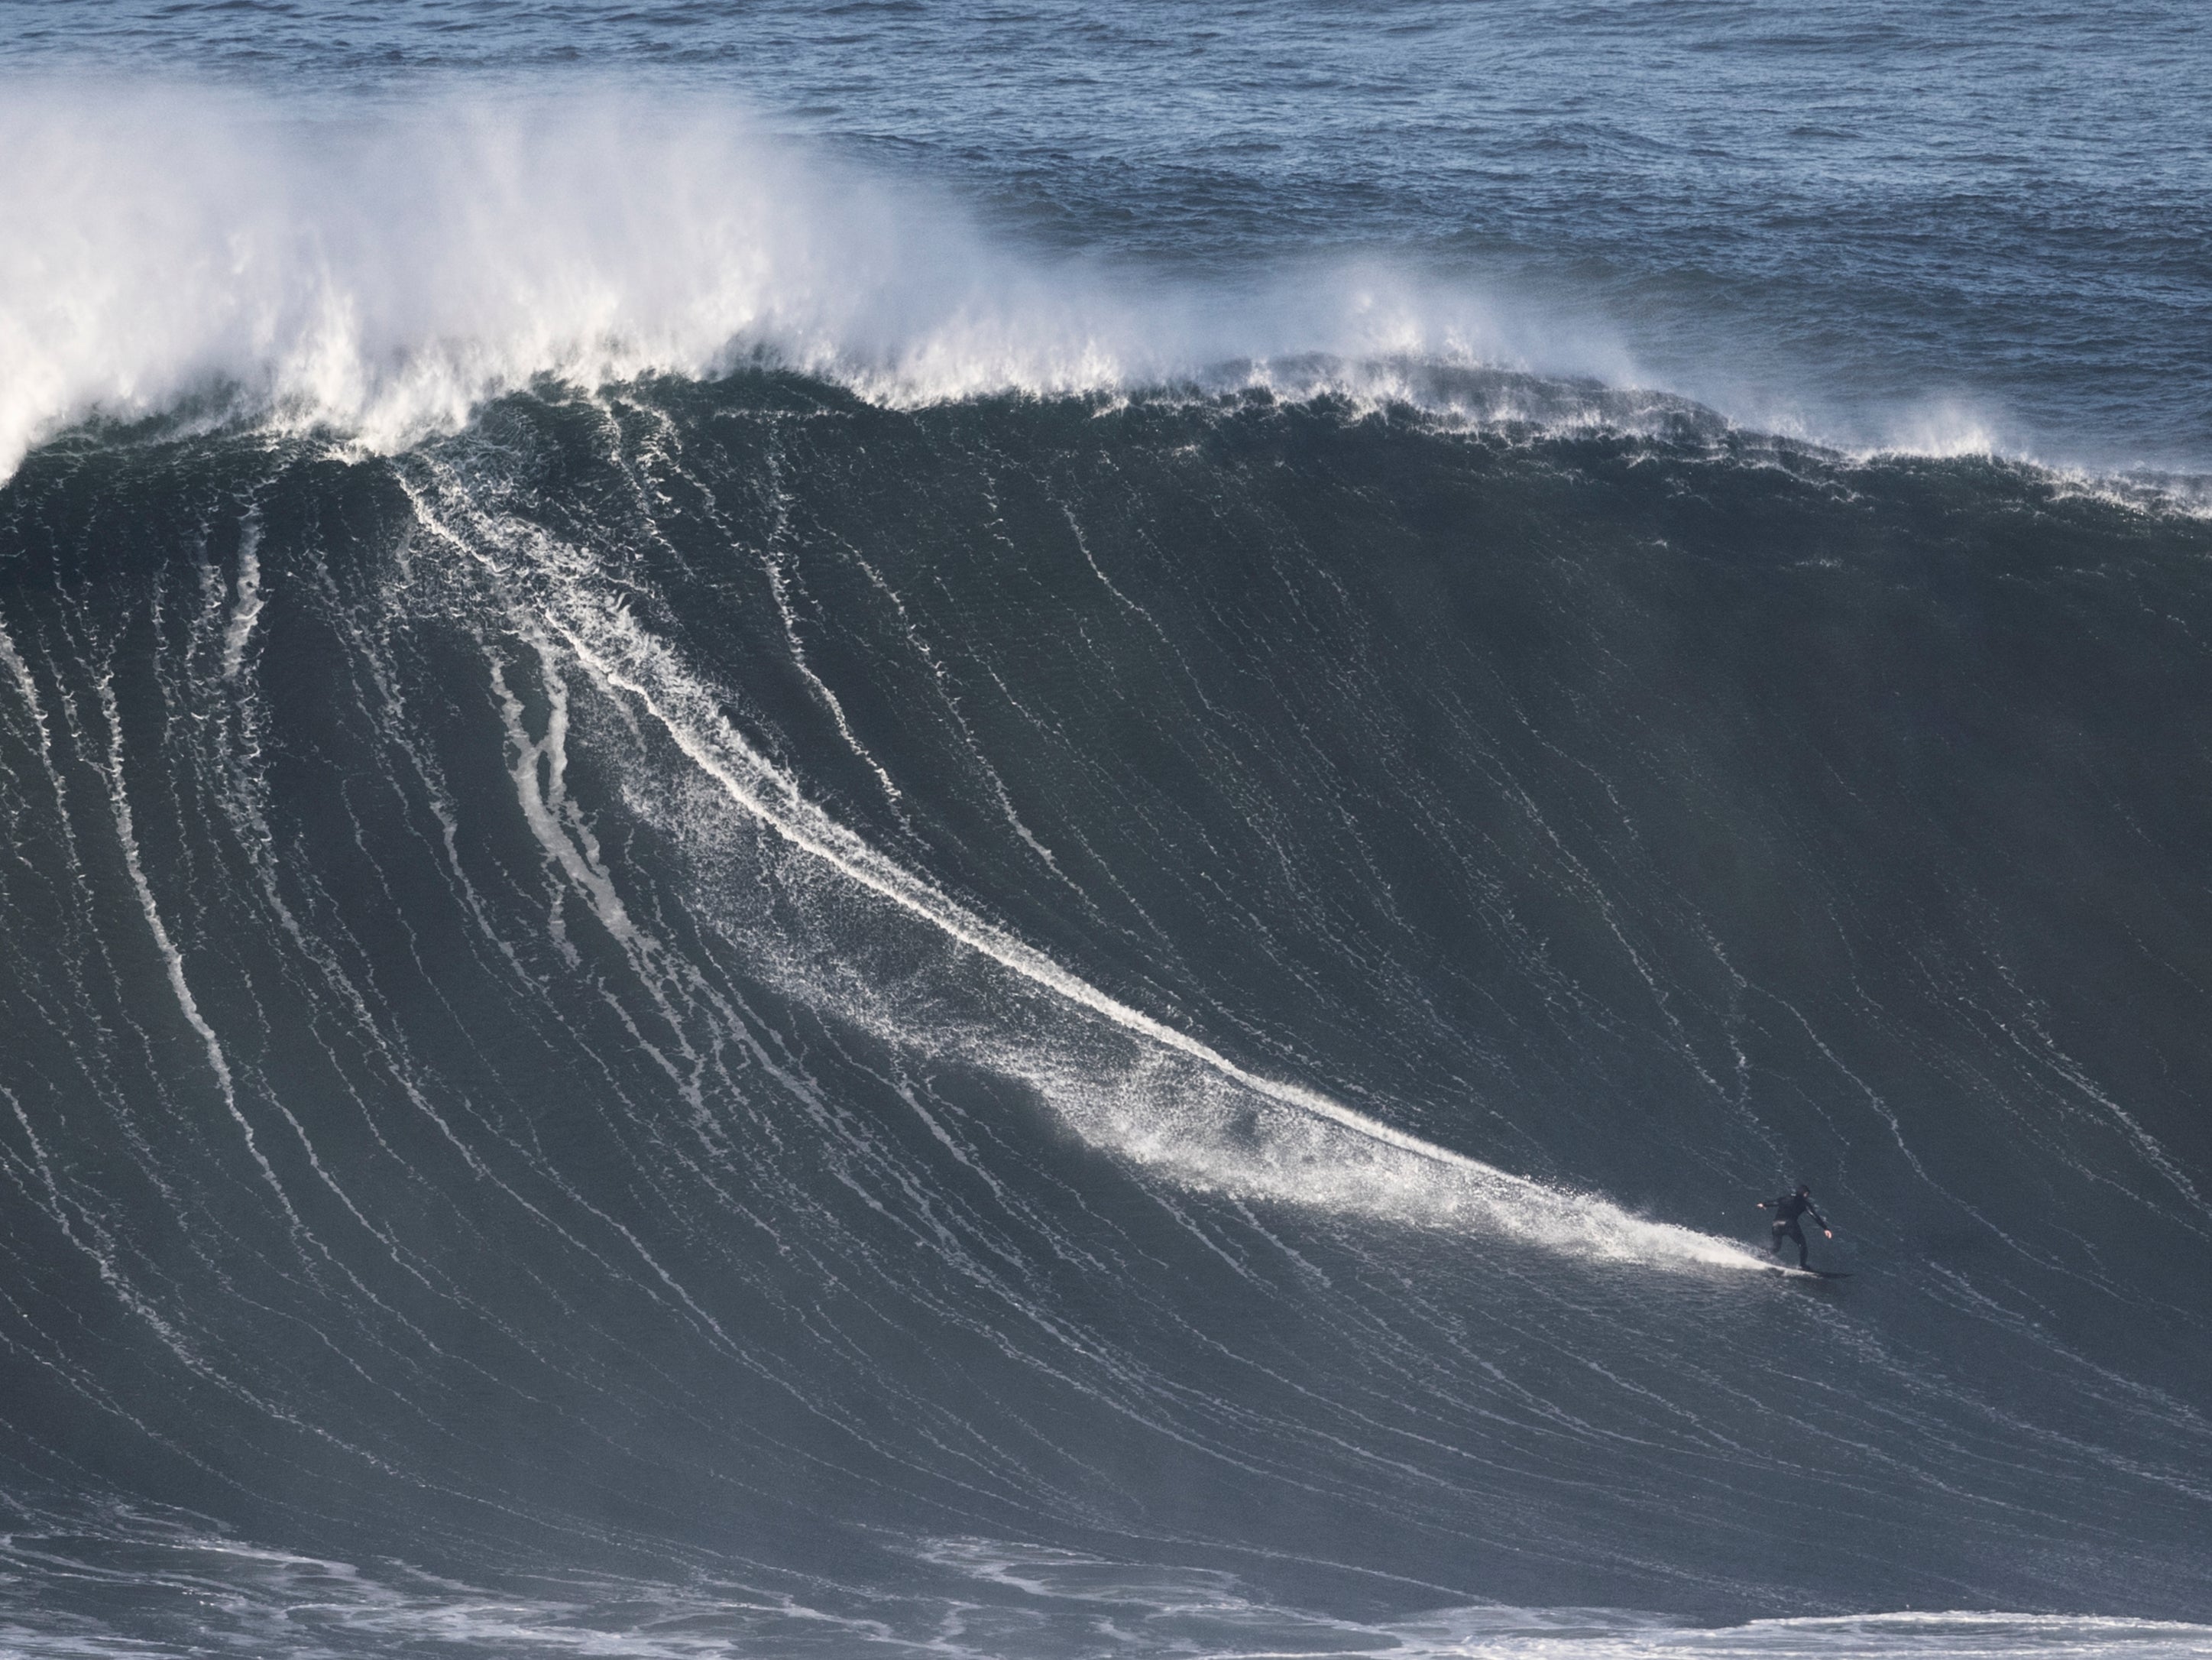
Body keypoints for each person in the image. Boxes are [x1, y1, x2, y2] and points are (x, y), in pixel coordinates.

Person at [1759, 1182, 1832, 1269]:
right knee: (1802, 1245)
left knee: (1776, 1247)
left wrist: (1764, 1204)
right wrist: (1825, 1228)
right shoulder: (1804, 1203)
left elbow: (1774, 1202)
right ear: (1805, 1194)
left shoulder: (1785, 1198)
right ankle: (1803, 1266)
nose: (1807, 1196)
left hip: (1776, 1224)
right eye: (1807, 1194)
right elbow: (1814, 1215)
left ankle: (1761, 1257)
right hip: (1790, 1224)